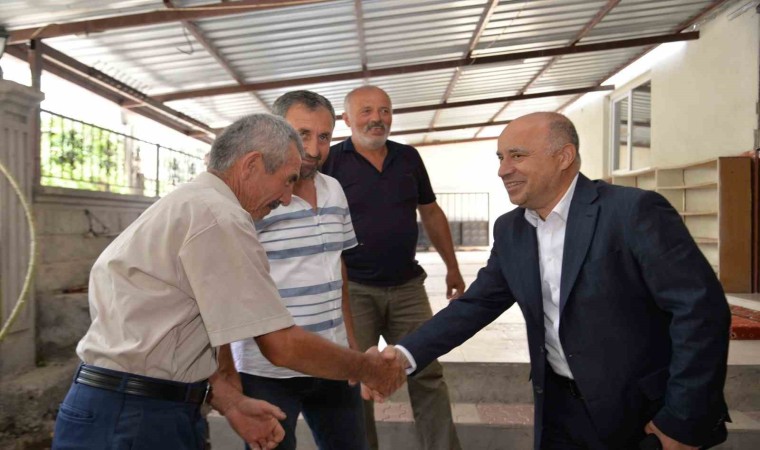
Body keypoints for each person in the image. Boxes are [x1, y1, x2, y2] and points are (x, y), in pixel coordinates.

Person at [52, 114, 406, 450]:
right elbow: (281, 345)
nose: (287, 198)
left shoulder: (191, 202)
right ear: (251, 165)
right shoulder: (220, 216)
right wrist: (367, 368)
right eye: (287, 180)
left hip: (132, 406)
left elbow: (168, 337)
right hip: (135, 415)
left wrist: (230, 401)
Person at [388, 112, 731, 450]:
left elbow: (700, 311)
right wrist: (404, 355)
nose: (503, 170)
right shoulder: (511, 230)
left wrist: (682, 419)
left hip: (641, 417)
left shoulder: (633, 211)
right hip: (559, 413)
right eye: (501, 157)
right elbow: (476, 305)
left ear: (564, 157)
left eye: (517, 155)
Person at [321, 85, 464, 450]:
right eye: (367, 111)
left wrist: (452, 267)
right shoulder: (330, 162)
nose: (377, 119)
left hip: (407, 287)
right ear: (346, 119)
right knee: (356, 379)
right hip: (354, 291)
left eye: (384, 110)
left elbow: (430, 211)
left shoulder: (408, 158)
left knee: (427, 372)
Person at [230, 91, 368, 450]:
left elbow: (337, 266)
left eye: (324, 137)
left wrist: (350, 343)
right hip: (267, 369)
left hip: (332, 359)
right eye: (302, 134)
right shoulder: (254, 198)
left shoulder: (334, 190)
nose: (313, 148)